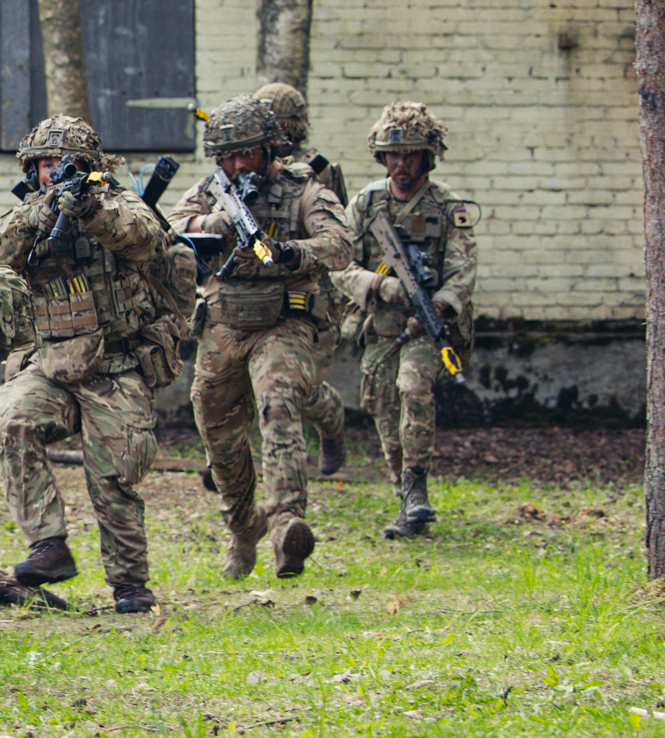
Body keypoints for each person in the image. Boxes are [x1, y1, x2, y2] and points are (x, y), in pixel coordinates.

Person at [0, 117, 183, 614]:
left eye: (66, 165)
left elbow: (145, 239)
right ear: (33, 171)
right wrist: (40, 214)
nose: (55, 173)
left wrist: (91, 208)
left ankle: (129, 584)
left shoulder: (117, 203)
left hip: (115, 365)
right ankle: (47, 545)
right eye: (46, 165)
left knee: (114, 475)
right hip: (48, 361)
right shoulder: (28, 213)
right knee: (15, 421)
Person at [171, 95, 354, 580]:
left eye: (247, 154)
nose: (237, 164)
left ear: (269, 149)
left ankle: (287, 523)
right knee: (217, 429)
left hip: (284, 322)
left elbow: (340, 244)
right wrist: (208, 225)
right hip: (224, 326)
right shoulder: (213, 191)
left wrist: (292, 252)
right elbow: (165, 230)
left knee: (277, 403)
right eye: (228, 156)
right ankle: (241, 526)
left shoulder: (303, 190)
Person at [334, 101, 478, 539]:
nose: (400, 164)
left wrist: (439, 305)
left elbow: (463, 267)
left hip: (428, 327)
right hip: (380, 325)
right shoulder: (367, 204)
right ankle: (405, 498)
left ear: (427, 156)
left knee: (412, 388)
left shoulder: (447, 206)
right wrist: (379, 288)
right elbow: (338, 263)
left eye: (410, 155)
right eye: (393, 156)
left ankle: (416, 487)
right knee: (383, 409)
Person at [253, 79, 349, 478]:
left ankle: (331, 417)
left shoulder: (318, 172)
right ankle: (231, 458)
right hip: (255, 285)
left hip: (306, 290)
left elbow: (335, 236)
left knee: (297, 387)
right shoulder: (249, 162)